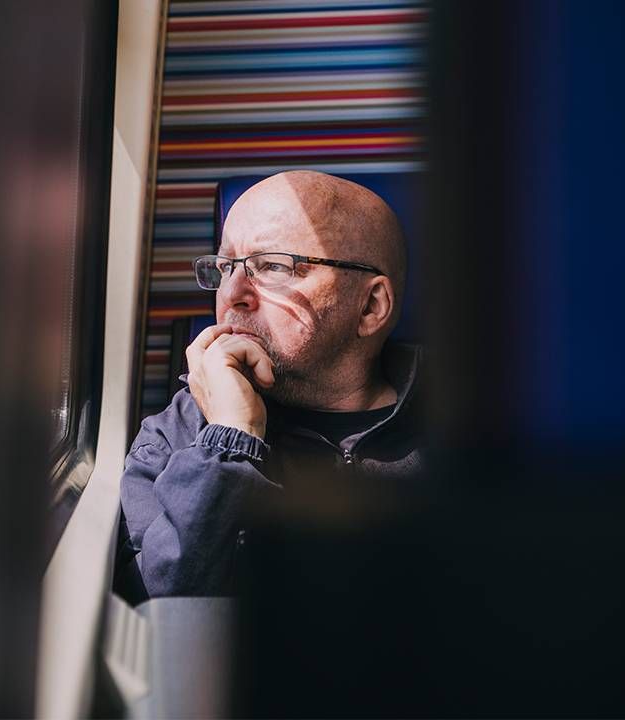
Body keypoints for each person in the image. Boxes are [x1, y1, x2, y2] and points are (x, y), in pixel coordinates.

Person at [114, 170, 426, 602]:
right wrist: (230, 439)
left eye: (273, 266)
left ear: (371, 306)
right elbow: (159, 615)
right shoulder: (177, 436)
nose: (232, 294)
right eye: (226, 268)